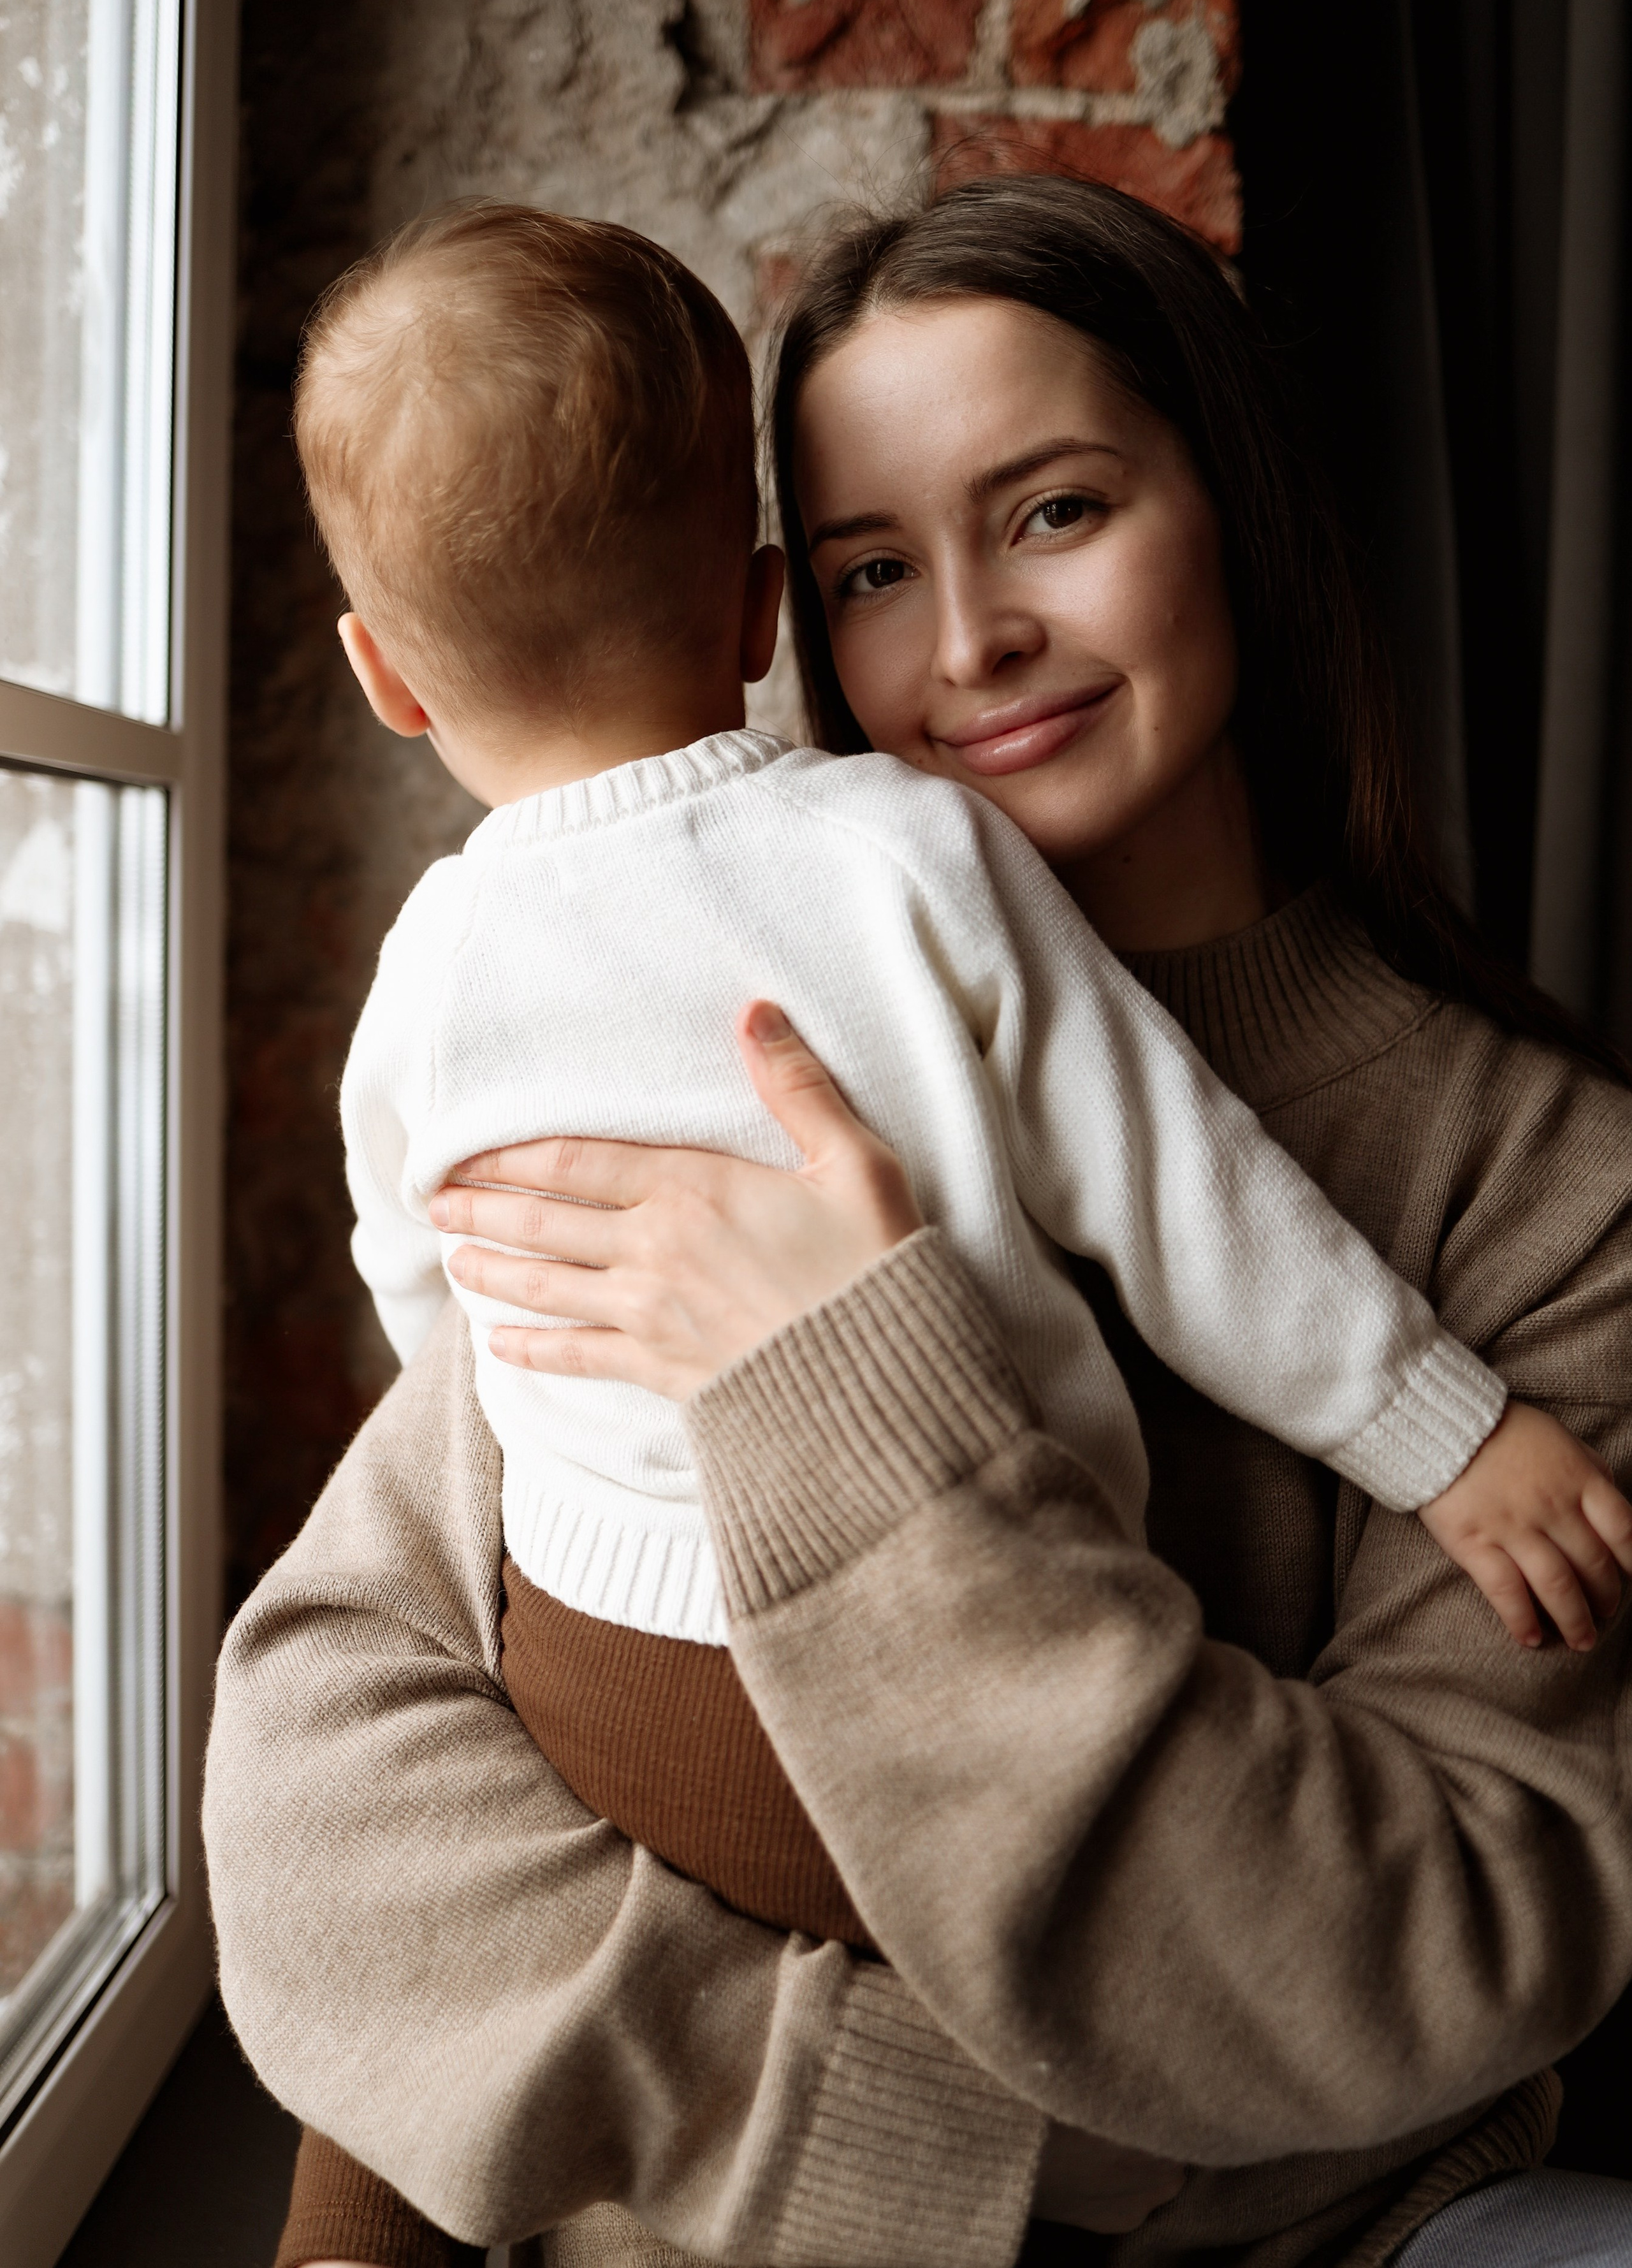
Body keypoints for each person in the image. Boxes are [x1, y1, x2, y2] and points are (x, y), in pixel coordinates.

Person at [205, 177, 1632, 2268]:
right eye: (880, 564)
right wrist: (922, 2155)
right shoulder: (673, 1049)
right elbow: (324, 1816)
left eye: (1056, 511)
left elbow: (1428, 1949)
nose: (971, 642)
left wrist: (855, 1401)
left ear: (1233, 507)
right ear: (786, 605)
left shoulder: (1555, 1189)